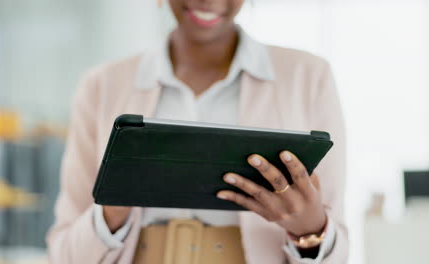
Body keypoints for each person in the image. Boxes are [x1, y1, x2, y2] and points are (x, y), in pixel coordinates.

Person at [46, 0, 348, 263]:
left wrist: (310, 230)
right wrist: (111, 213)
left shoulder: (308, 77)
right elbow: (63, 255)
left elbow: (339, 251)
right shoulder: (101, 86)